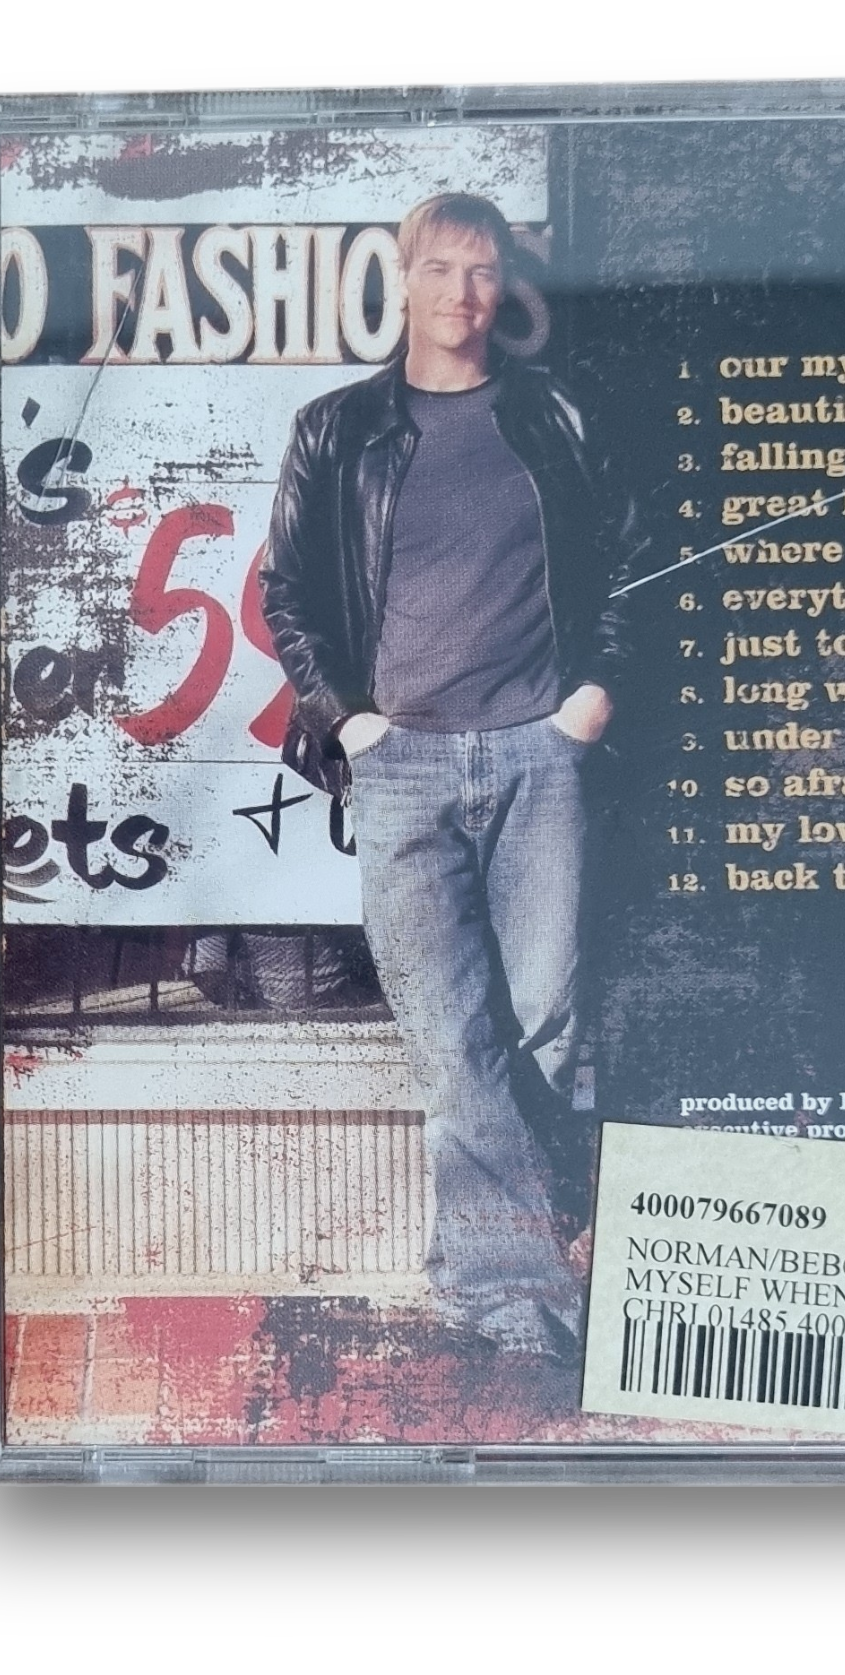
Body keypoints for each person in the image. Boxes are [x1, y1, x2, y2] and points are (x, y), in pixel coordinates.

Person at [258, 193, 638, 1360]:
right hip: (403, 764)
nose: (460, 294)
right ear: (404, 280)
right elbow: (287, 593)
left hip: (539, 752)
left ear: (500, 287)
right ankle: (516, 1299)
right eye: (438, 270)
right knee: (452, 1037)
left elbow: (632, 560)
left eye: (480, 272)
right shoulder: (335, 430)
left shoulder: (558, 414)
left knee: (546, 1025)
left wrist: (592, 697)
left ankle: (484, 1281)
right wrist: (348, 721)